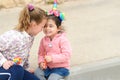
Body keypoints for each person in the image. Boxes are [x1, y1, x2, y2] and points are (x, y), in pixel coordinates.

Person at [0, 4, 47, 80]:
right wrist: (3, 62)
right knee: (18, 70)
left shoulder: (30, 37)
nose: (42, 30)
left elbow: (24, 55)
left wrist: (27, 69)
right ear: (34, 25)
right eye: (42, 26)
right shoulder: (13, 36)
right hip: (3, 69)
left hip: (16, 71)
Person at [34, 7, 72, 80]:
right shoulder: (43, 40)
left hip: (61, 68)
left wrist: (52, 58)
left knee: (52, 78)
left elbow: (66, 55)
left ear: (58, 28)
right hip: (48, 67)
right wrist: (41, 62)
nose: (47, 28)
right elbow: (41, 54)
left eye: (51, 26)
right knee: (37, 73)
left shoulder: (62, 40)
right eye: (45, 26)